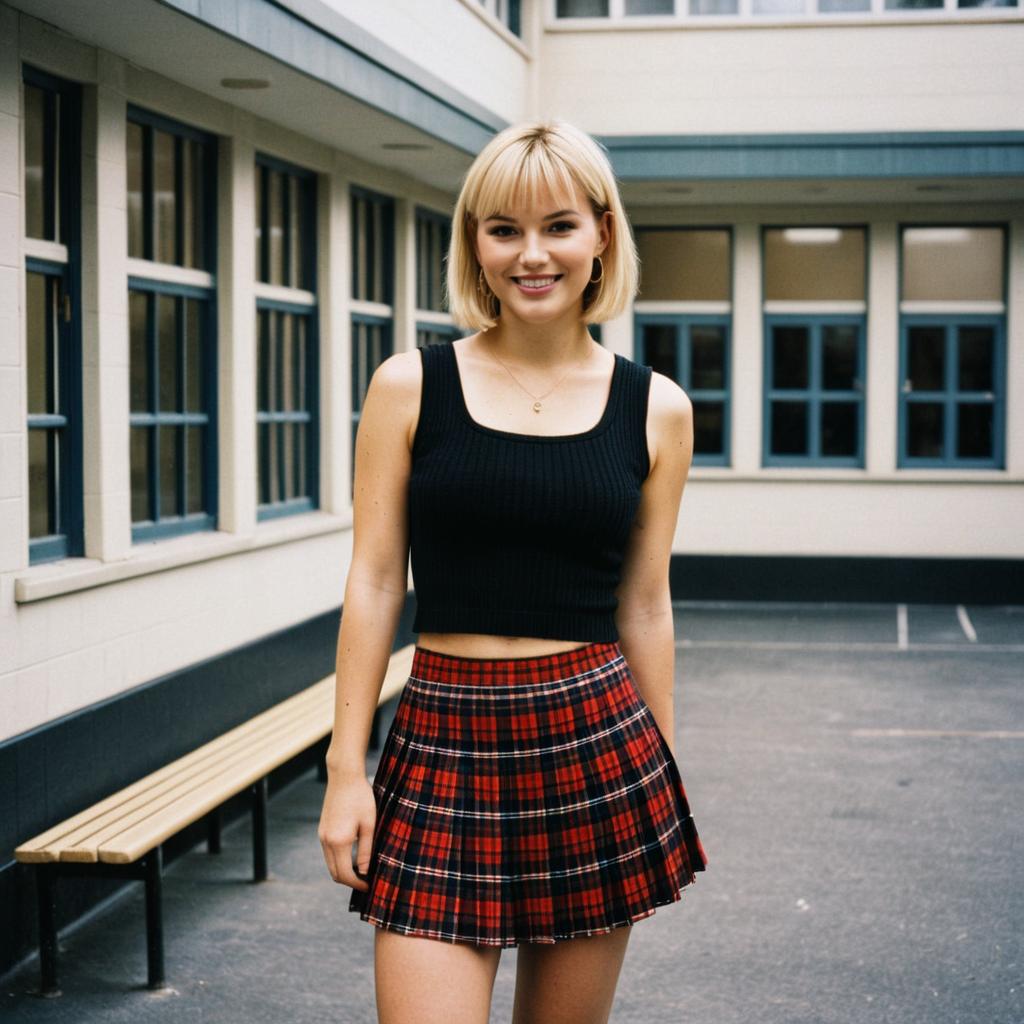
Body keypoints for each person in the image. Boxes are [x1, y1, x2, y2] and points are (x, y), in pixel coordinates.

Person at [318, 119, 707, 1024]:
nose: (532, 255)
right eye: (505, 230)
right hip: (442, 738)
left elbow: (645, 604)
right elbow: (374, 582)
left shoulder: (658, 408)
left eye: (558, 226)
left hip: (594, 745)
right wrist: (345, 767)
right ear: (476, 243)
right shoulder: (409, 386)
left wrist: (661, 765)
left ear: (601, 234)